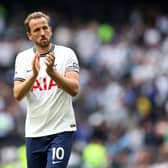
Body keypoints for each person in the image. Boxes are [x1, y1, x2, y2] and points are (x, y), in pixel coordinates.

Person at [13, 11, 80, 168]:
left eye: (45, 28)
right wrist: (34, 75)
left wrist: (52, 73)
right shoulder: (23, 58)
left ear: (50, 30)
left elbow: (74, 89)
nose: (42, 33)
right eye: (36, 30)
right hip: (34, 133)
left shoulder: (66, 54)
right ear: (29, 35)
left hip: (61, 130)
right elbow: (17, 94)